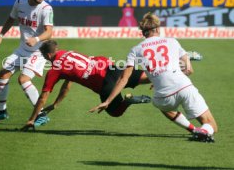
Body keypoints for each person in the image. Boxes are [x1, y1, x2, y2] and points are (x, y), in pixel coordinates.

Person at [90, 12, 218, 143]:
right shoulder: (173, 41)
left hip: (163, 95)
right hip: (184, 87)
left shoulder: (136, 50)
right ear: (157, 29)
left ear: (143, 32)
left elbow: (124, 78)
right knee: (212, 125)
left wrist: (108, 101)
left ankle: (194, 130)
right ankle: (204, 131)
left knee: (163, 106)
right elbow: (189, 70)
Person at [20, 40, 151, 130]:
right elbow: (68, 84)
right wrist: (56, 104)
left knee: (115, 112)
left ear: (48, 55)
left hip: (104, 84)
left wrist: (32, 119)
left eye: (43, 56)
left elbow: (43, 97)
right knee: (146, 77)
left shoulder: (55, 69)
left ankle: (127, 101)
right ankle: (164, 77)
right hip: (111, 68)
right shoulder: (68, 52)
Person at [0, 0, 53, 125]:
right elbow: (11, 19)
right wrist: (1, 35)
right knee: (2, 74)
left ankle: (41, 114)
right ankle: (2, 111)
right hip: (22, 49)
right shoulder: (19, 2)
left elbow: (49, 32)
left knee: (23, 79)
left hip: (38, 52)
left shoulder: (46, 9)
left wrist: (36, 39)